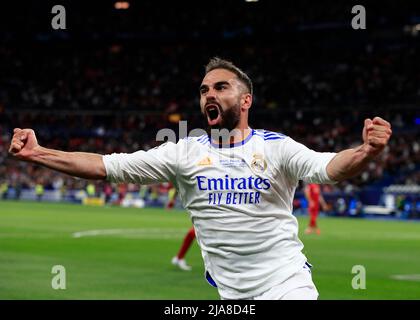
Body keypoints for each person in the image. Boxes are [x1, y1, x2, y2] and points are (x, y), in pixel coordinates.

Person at [8, 57, 392, 300]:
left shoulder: (278, 147)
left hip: (287, 284)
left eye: (221, 87)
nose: (209, 93)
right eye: (204, 89)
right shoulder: (182, 151)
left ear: (246, 101)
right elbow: (108, 166)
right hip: (230, 293)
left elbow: (328, 169)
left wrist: (365, 152)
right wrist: (38, 154)